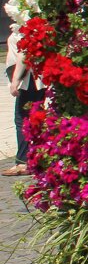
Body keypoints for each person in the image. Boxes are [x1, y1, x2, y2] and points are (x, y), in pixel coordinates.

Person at [3, 27, 35, 177]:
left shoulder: (24, 30)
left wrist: (16, 80)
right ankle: (31, 158)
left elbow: (24, 54)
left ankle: (23, 161)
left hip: (29, 80)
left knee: (22, 119)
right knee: (30, 118)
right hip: (34, 80)